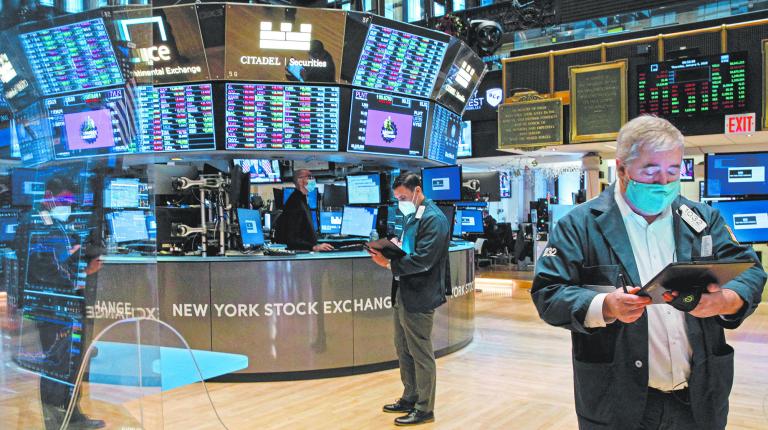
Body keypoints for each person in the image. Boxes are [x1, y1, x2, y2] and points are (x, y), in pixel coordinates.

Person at [532, 115, 766, 430]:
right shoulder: (580, 225)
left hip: (698, 399)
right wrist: (605, 306)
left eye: (673, 170)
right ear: (622, 168)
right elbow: (549, 292)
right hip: (617, 399)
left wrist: (728, 300)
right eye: (651, 170)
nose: (663, 182)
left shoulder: (701, 219)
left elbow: (749, 268)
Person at [13, 175, 105, 429]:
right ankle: (56, 423)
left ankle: (73, 416)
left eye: (71, 202)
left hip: (66, 305)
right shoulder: (34, 224)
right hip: (51, 308)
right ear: (48, 197)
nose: (69, 206)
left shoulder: (54, 224)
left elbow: (58, 261)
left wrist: (76, 258)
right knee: (56, 367)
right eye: (65, 200)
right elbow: (44, 271)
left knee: (71, 366)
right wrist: (84, 272)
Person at [368, 172, 451, 426]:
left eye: (403, 197)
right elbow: (407, 245)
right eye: (397, 198)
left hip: (421, 293)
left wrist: (387, 264)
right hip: (404, 290)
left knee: (420, 351)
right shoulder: (411, 214)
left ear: (417, 191)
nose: (400, 201)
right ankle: (410, 396)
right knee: (403, 347)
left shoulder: (434, 219)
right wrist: (390, 245)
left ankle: (425, 408)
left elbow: (423, 260)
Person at [272, 169, 333, 251]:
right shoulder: (295, 203)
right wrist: (313, 247)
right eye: (309, 177)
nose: (313, 180)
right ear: (300, 181)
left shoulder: (301, 200)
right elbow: (292, 239)